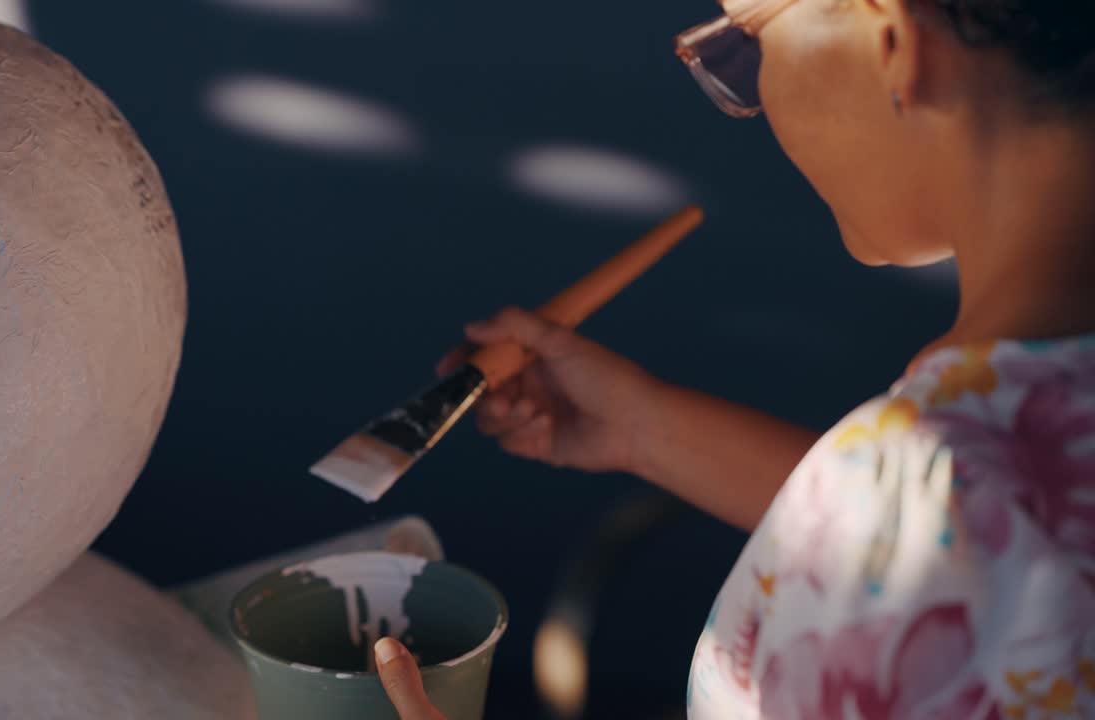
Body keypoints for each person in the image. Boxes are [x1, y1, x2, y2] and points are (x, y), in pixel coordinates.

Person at [376, 0, 1095, 716]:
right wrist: (647, 428)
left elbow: (954, 529)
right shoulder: (982, 476)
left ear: (895, 42)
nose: (752, 104)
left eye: (748, 42)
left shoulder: (938, 485)